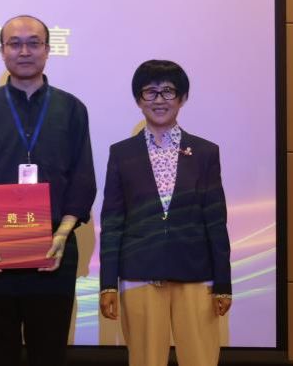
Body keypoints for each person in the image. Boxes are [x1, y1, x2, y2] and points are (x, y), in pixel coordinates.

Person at [0, 14, 96, 366]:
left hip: (53, 248)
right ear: (1, 50)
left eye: (34, 43)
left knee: (48, 352)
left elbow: (82, 176)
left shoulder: (71, 108)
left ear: (47, 49)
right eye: (14, 44)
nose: (24, 51)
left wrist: (63, 232)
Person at [99, 60, 231, 366]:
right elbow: (113, 222)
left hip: (196, 274)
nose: (159, 100)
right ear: (138, 99)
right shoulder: (122, 153)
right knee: (145, 360)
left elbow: (215, 219)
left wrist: (223, 283)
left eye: (168, 91)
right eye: (150, 92)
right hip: (139, 272)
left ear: (182, 98)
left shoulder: (205, 152)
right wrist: (108, 283)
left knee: (201, 359)